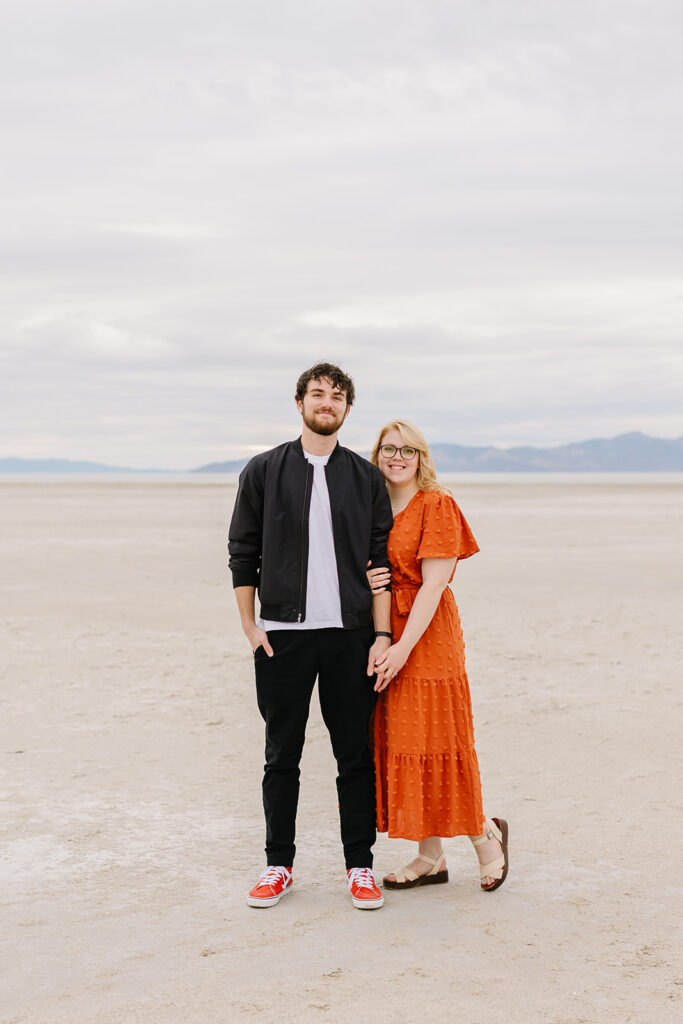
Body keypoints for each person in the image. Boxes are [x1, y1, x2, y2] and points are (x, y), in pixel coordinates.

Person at [228, 362, 393, 910]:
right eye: (318, 394)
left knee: (355, 755)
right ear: (299, 403)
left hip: (350, 635)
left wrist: (382, 633)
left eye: (338, 396)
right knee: (282, 756)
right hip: (282, 636)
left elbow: (380, 560)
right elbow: (242, 552)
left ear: (347, 410)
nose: (328, 403)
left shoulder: (365, 478)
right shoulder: (263, 470)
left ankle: (360, 868)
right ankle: (278, 865)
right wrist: (250, 625)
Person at [367, 420, 509, 892]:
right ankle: (430, 856)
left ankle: (485, 838)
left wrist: (404, 647)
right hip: (388, 628)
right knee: (407, 738)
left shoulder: (437, 503)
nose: (397, 457)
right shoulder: (373, 503)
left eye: (408, 450)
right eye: (389, 448)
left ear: (421, 457)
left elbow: (434, 583)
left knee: (441, 736)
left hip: (427, 634)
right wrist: (383, 635)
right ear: (378, 454)